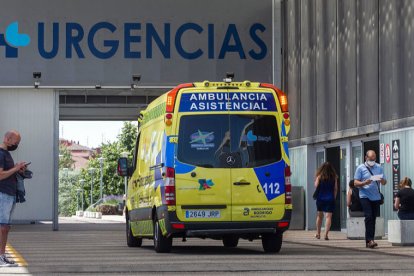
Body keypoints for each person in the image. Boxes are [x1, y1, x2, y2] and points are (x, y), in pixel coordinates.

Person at [0, 130, 27, 267]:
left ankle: (2, 256)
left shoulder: (7, 154)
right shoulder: (0, 154)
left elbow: (8, 173)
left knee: (5, 227)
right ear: (7, 139)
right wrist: (15, 168)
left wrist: (19, 169)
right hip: (3, 194)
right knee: (2, 226)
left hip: (9, 194)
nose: (17, 144)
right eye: (16, 142)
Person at [354, 150, 387, 249]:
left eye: (374, 159)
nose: (372, 161)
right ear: (366, 158)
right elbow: (355, 183)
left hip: (376, 196)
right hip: (365, 195)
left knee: (373, 218)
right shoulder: (360, 168)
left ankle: (370, 240)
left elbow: (385, 182)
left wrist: (382, 180)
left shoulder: (379, 167)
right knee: (368, 216)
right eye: (370, 159)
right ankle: (370, 240)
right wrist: (364, 183)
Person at [314, 162, 338, 241]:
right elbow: (335, 189)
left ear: (322, 169)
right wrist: (334, 197)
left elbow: (316, 185)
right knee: (328, 217)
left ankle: (318, 233)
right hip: (330, 198)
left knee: (319, 216)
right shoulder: (334, 177)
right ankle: (326, 235)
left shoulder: (319, 177)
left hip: (320, 198)